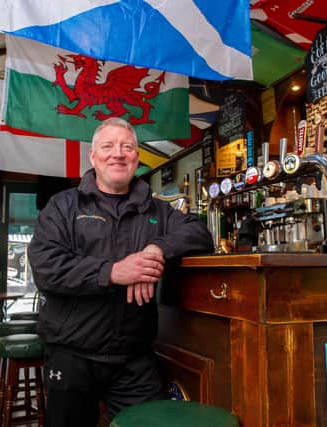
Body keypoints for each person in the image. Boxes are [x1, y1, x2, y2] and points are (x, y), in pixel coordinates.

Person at [28, 117, 214, 427]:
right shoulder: (63, 206)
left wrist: (157, 248)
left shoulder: (156, 211)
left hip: (133, 359)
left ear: (136, 158)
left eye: (127, 147)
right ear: (93, 156)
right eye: (108, 146)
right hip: (73, 355)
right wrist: (113, 271)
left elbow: (199, 233)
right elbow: (47, 268)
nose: (118, 153)